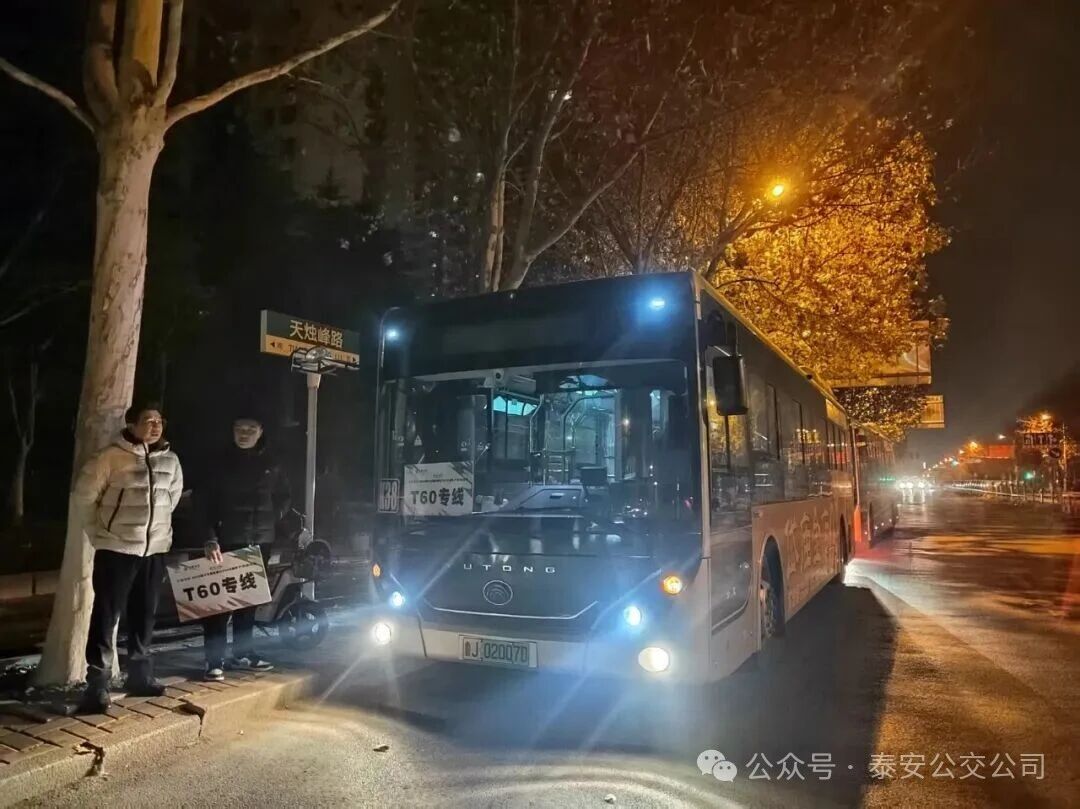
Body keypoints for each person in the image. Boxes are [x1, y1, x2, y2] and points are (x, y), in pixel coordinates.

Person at [75, 403, 183, 714]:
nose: (155, 426)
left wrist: (159, 534)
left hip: (154, 550)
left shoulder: (172, 460)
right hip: (116, 549)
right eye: (148, 420)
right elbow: (84, 498)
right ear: (132, 424)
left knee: (144, 614)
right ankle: (97, 684)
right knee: (106, 616)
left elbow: (172, 498)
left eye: (159, 421)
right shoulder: (110, 457)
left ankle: (140, 675)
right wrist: (100, 533)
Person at [201, 413, 289, 681]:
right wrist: (210, 537)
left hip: (260, 540)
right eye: (239, 427)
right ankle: (214, 660)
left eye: (251, 428)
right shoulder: (218, 462)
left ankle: (242, 653)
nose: (244, 433)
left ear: (261, 431)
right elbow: (204, 502)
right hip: (227, 540)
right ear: (232, 430)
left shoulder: (272, 463)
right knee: (219, 604)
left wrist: (272, 520)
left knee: (248, 601)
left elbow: (284, 496)